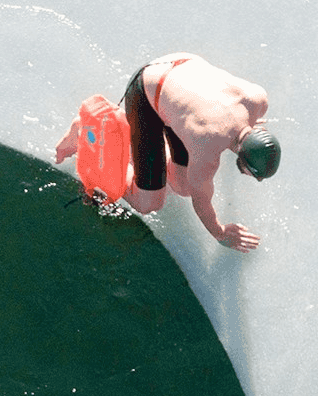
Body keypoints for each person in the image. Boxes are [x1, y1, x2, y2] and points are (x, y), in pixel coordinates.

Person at [53, 53, 278, 251]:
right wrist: (220, 233)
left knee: (183, 185)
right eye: (250, 173)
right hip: (147, 90)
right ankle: (91, 129)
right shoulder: (207, 151)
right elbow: (202, 203)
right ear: (244, 161)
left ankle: (146, 154)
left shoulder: (257, 100)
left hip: (180, 67)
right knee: (149, 202)